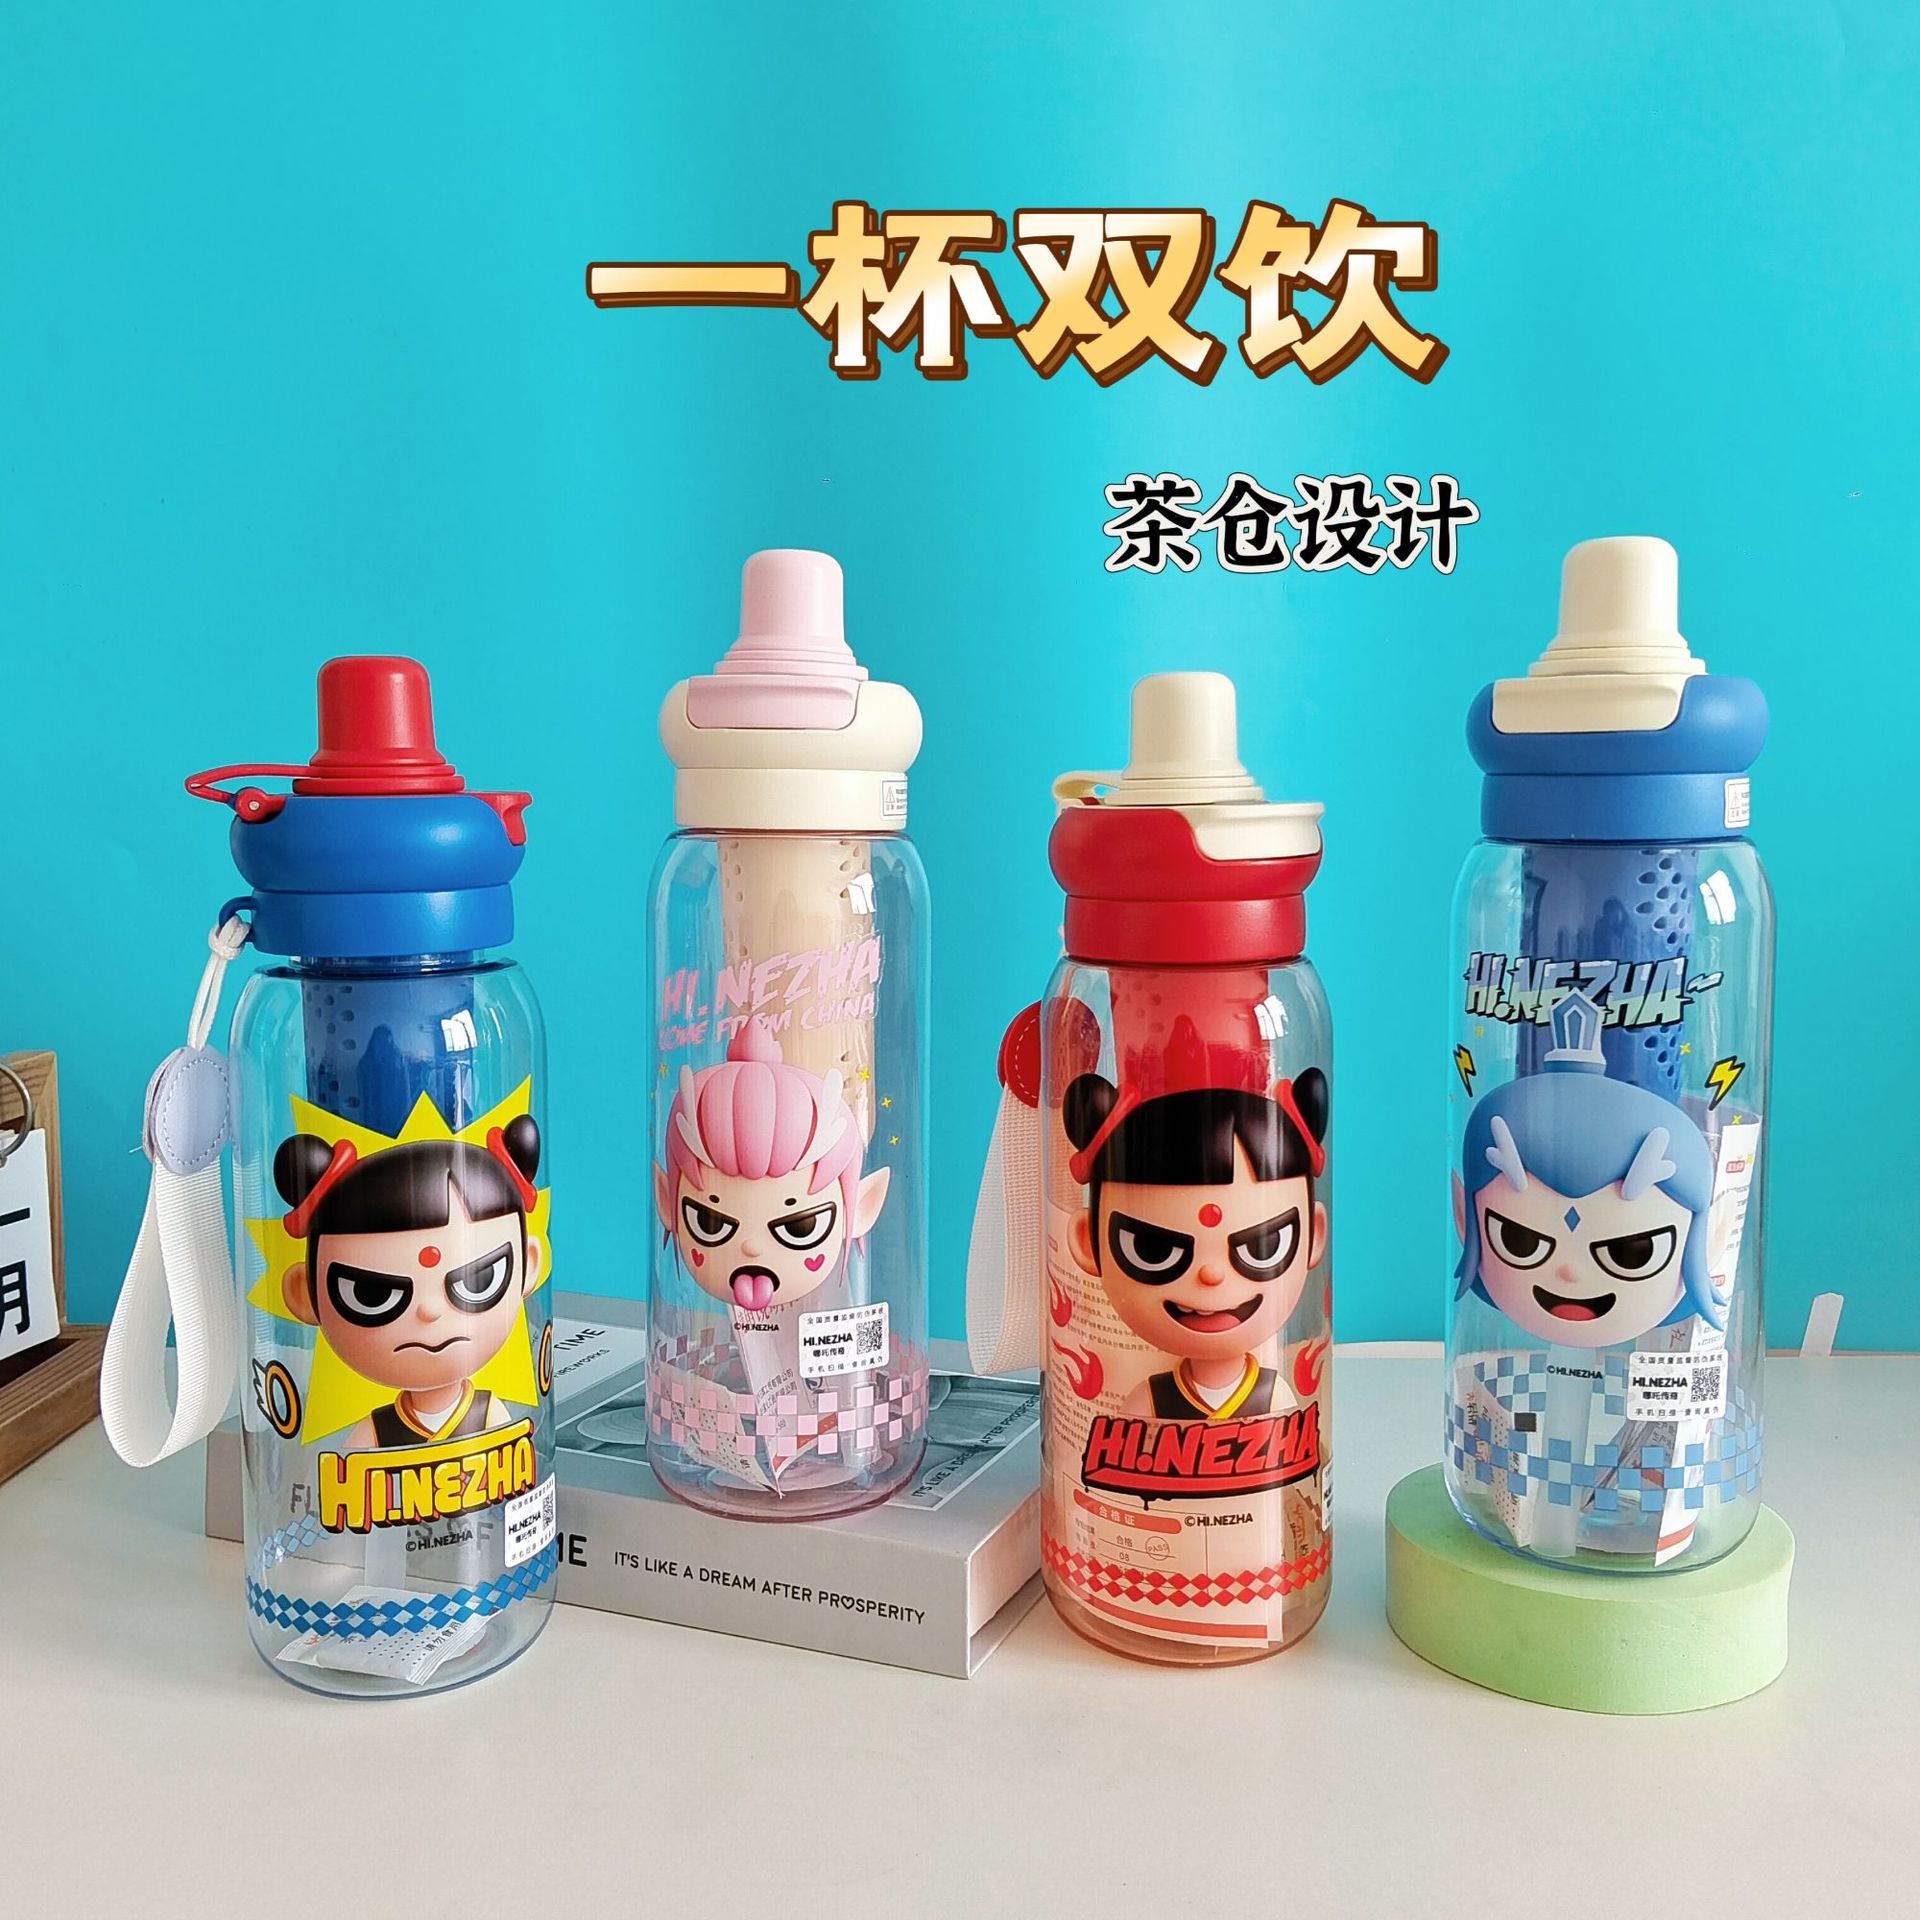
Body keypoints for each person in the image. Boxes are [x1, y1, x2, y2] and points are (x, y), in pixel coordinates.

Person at [1064, 1068, 1328, 1421]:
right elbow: (1121, 1452)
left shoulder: (1272, 1396)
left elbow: (1290, 1451)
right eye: (1153, 1251)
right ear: (1088, 1242)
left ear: (1314, 1235)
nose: (1211, 1274)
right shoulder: (1151, 1399)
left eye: (1263, 1247)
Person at [275, 1116, 543, 1448]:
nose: (429, 1310)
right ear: (304, 1294)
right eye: (372, 1294)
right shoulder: (379, 1430)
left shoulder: (488, 1415)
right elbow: (345, 1471)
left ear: (528, 1265)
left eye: (479, 1280)